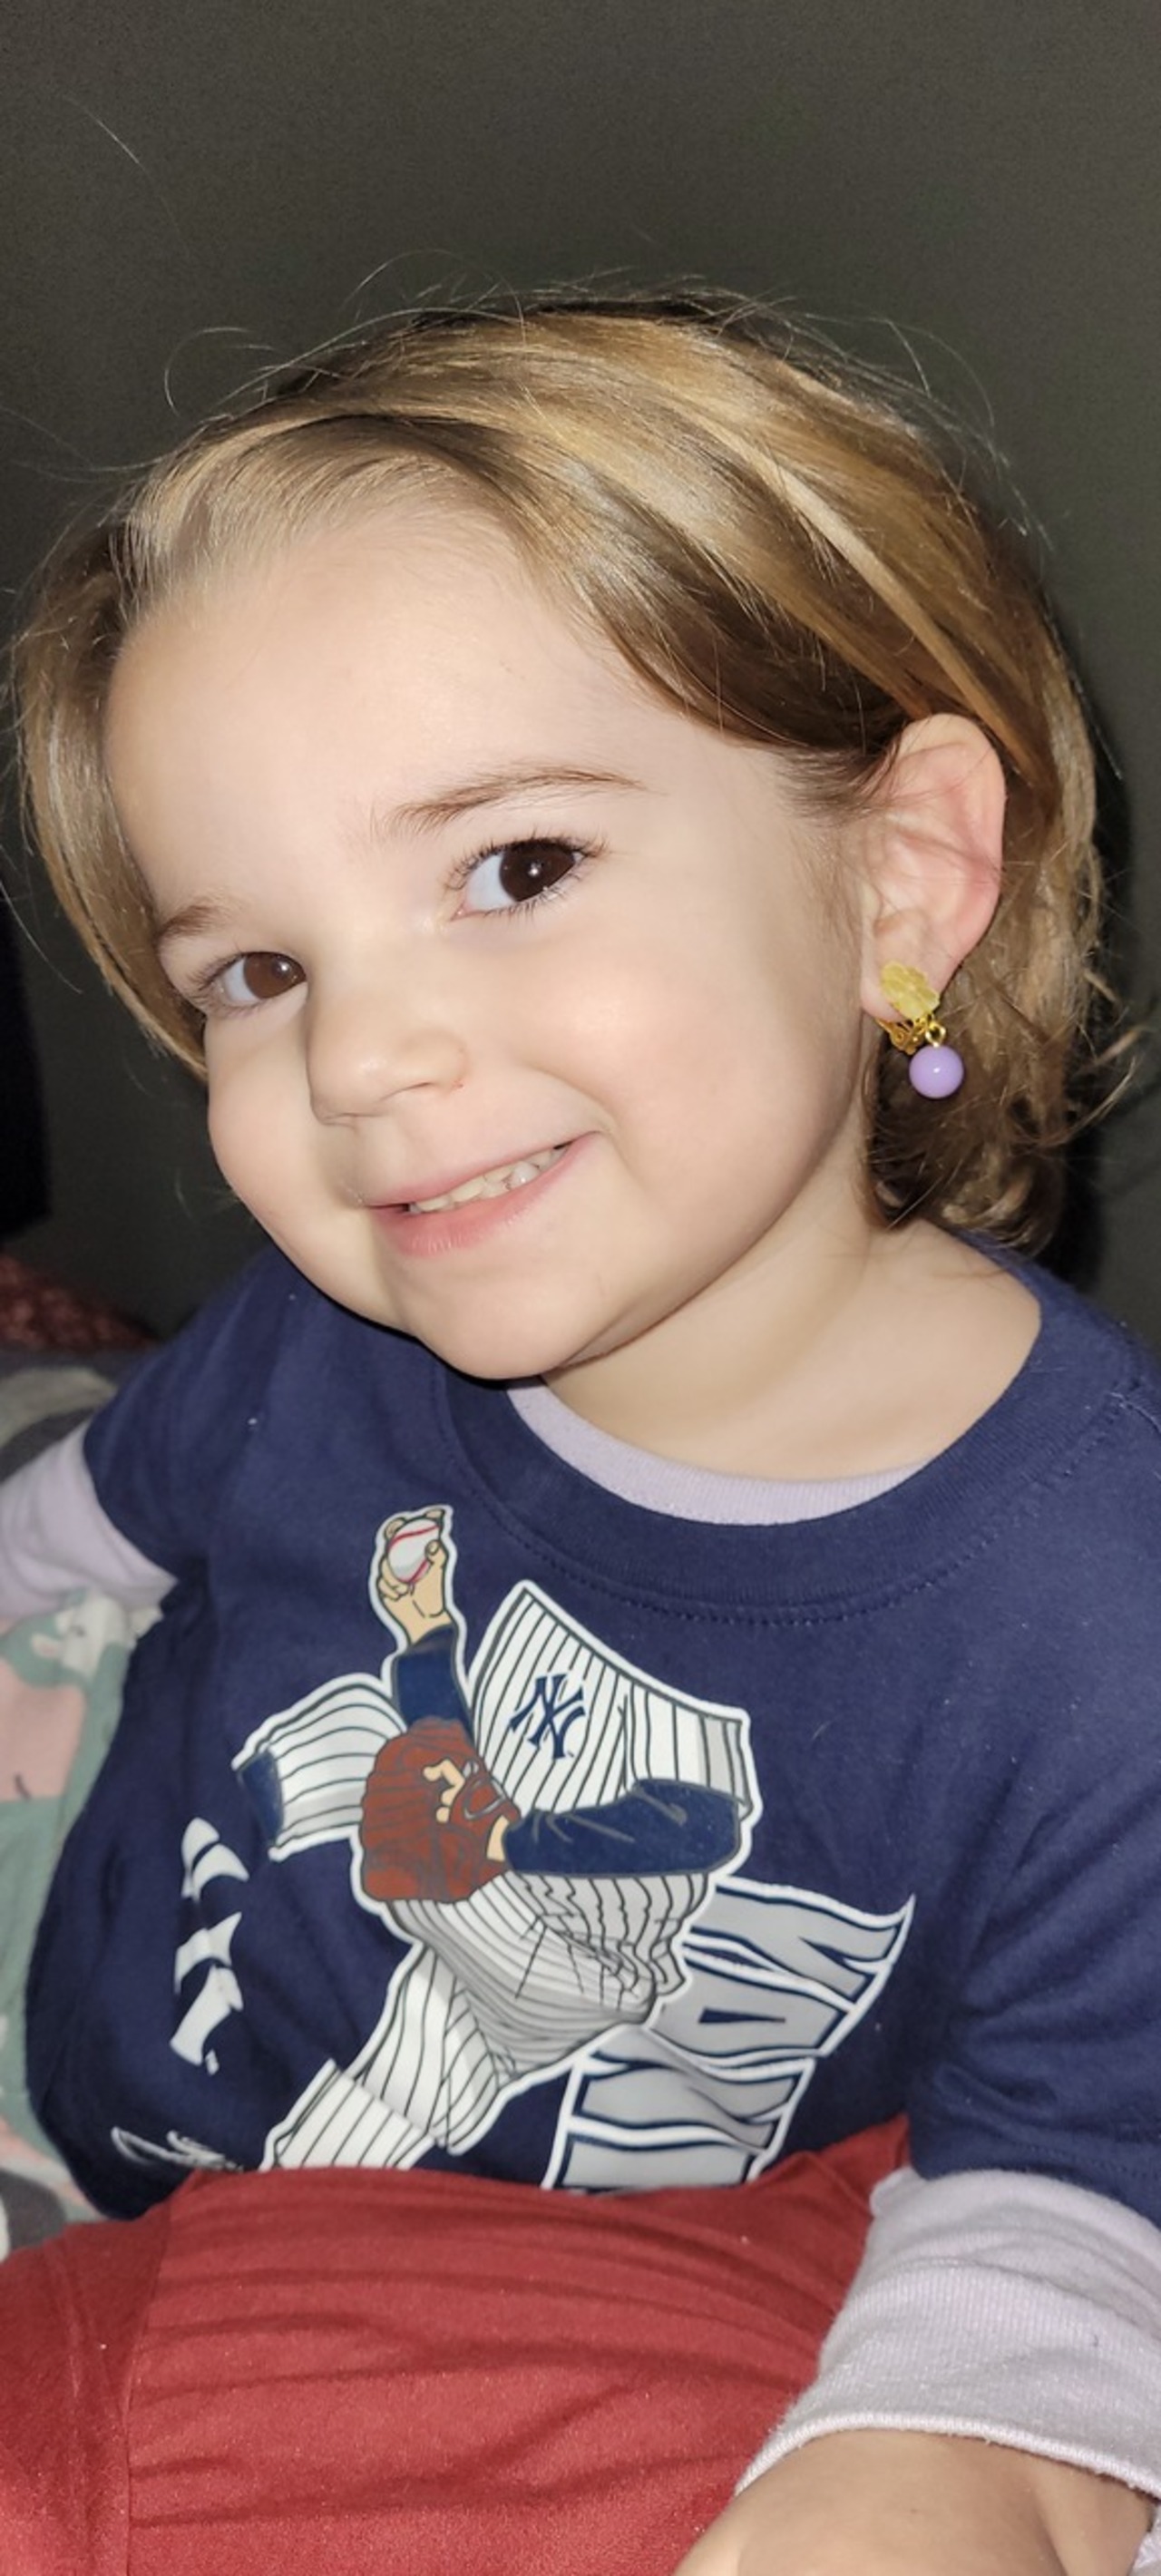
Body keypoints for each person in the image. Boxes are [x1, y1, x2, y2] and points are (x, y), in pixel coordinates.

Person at [2, 288, 1160, 2574]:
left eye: (514, 867)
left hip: (419, 2307)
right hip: (84, 2025)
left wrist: (932, 2465)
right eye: (261, 971)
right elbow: (89, 1518)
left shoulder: (1093, 1628)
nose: (360, 1062)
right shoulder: (316, 1341)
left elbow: (1081, 2174)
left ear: (901, 874)